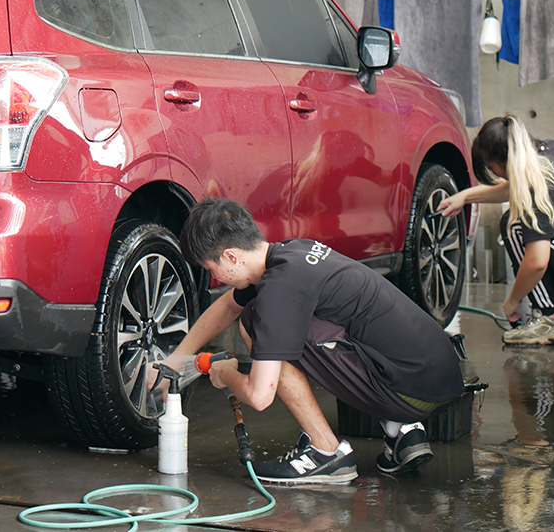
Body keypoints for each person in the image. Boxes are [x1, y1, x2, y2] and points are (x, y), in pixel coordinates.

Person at [158, 198, 464, 486]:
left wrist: (225, 374)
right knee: (274, 316)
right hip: (435, 375)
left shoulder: (277, 294)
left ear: (231, 257)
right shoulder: (292, 253)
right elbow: (226, 305)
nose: (217, 278)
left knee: (254, 320)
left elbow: (260, 397)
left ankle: (326, 452)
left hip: (412, 393)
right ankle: (400, 430)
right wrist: (175, 360)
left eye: (212, 269)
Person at [438, 114, 554, 345]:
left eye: (492, 169)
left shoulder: (534, 185)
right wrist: (464, 197)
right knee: (515, 223)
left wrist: (513, 300)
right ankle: (552, 314)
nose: (494, 174)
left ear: (502, 162)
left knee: (514, 226)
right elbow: (511, 189)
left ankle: (550, 318)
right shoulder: (550, 149)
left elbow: (537, 261)